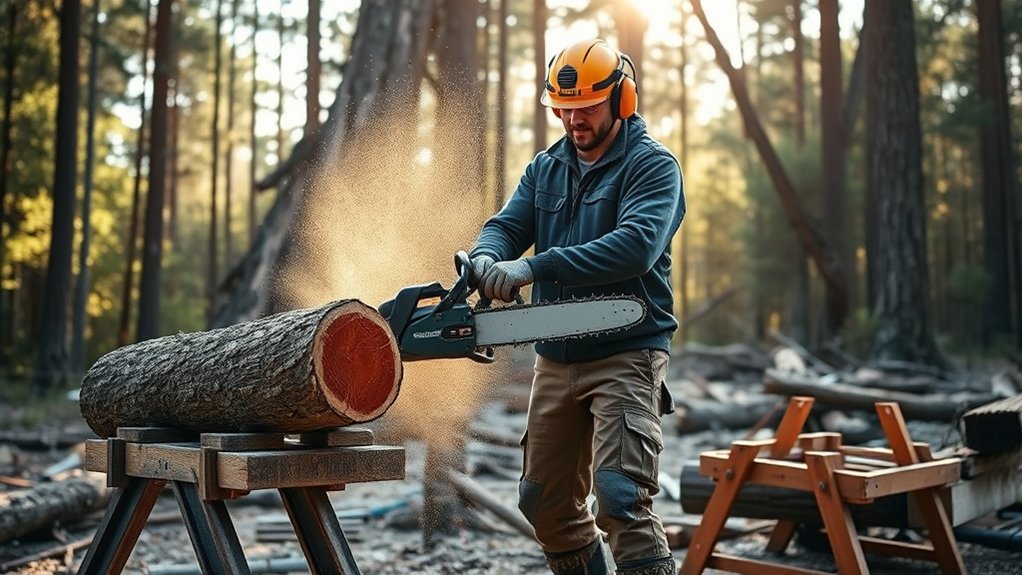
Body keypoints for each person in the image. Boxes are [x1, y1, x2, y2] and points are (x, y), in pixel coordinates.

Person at [467, 39, 686, 575]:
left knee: (620, 497)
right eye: (564, 108)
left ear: (622, 98)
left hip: (627, 350)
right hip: (557, 355)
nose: (573, 119)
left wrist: (534, 268)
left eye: (586, 107)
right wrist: (487, 257)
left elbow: (636, 246)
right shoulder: (546, 167)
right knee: (543, 502)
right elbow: (507, 225)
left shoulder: (652, 166)